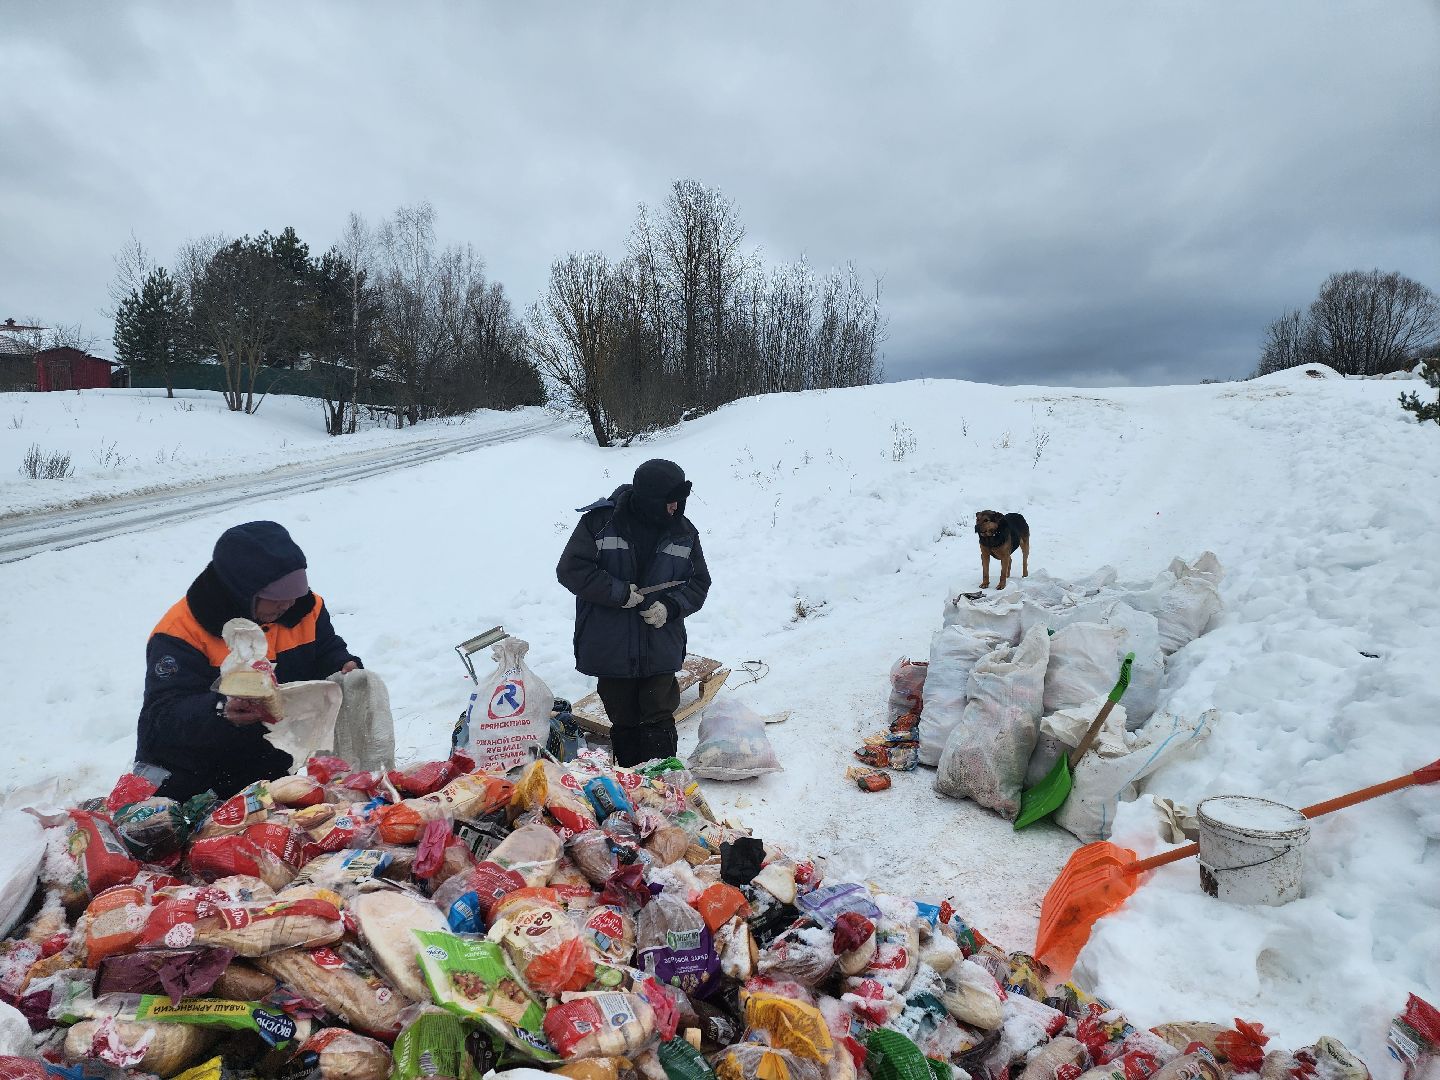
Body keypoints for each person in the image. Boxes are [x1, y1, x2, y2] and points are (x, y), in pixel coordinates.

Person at [134, 520, 394, 801]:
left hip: (266, 772)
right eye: (276, 598)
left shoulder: (306, 608)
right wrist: (220, 708)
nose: (288, 605)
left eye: (294, 594)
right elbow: (162, 717)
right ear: (242, 591)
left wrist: (342, 664)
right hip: (190, 782)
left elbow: (326, 649)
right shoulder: (180, 632)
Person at [556, 459, 711, 767]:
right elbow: (571, 570)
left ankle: (664, 785)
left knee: (658, 714)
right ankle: (631, 787)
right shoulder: (599, 523)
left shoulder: (683, 532)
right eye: (670, 500)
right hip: (611, 644)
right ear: (651, 498)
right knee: (624, 718)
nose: (676, 506)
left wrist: (671, 606)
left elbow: (699, 583)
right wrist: (618, 593)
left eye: (679, 500)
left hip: (659, 643)